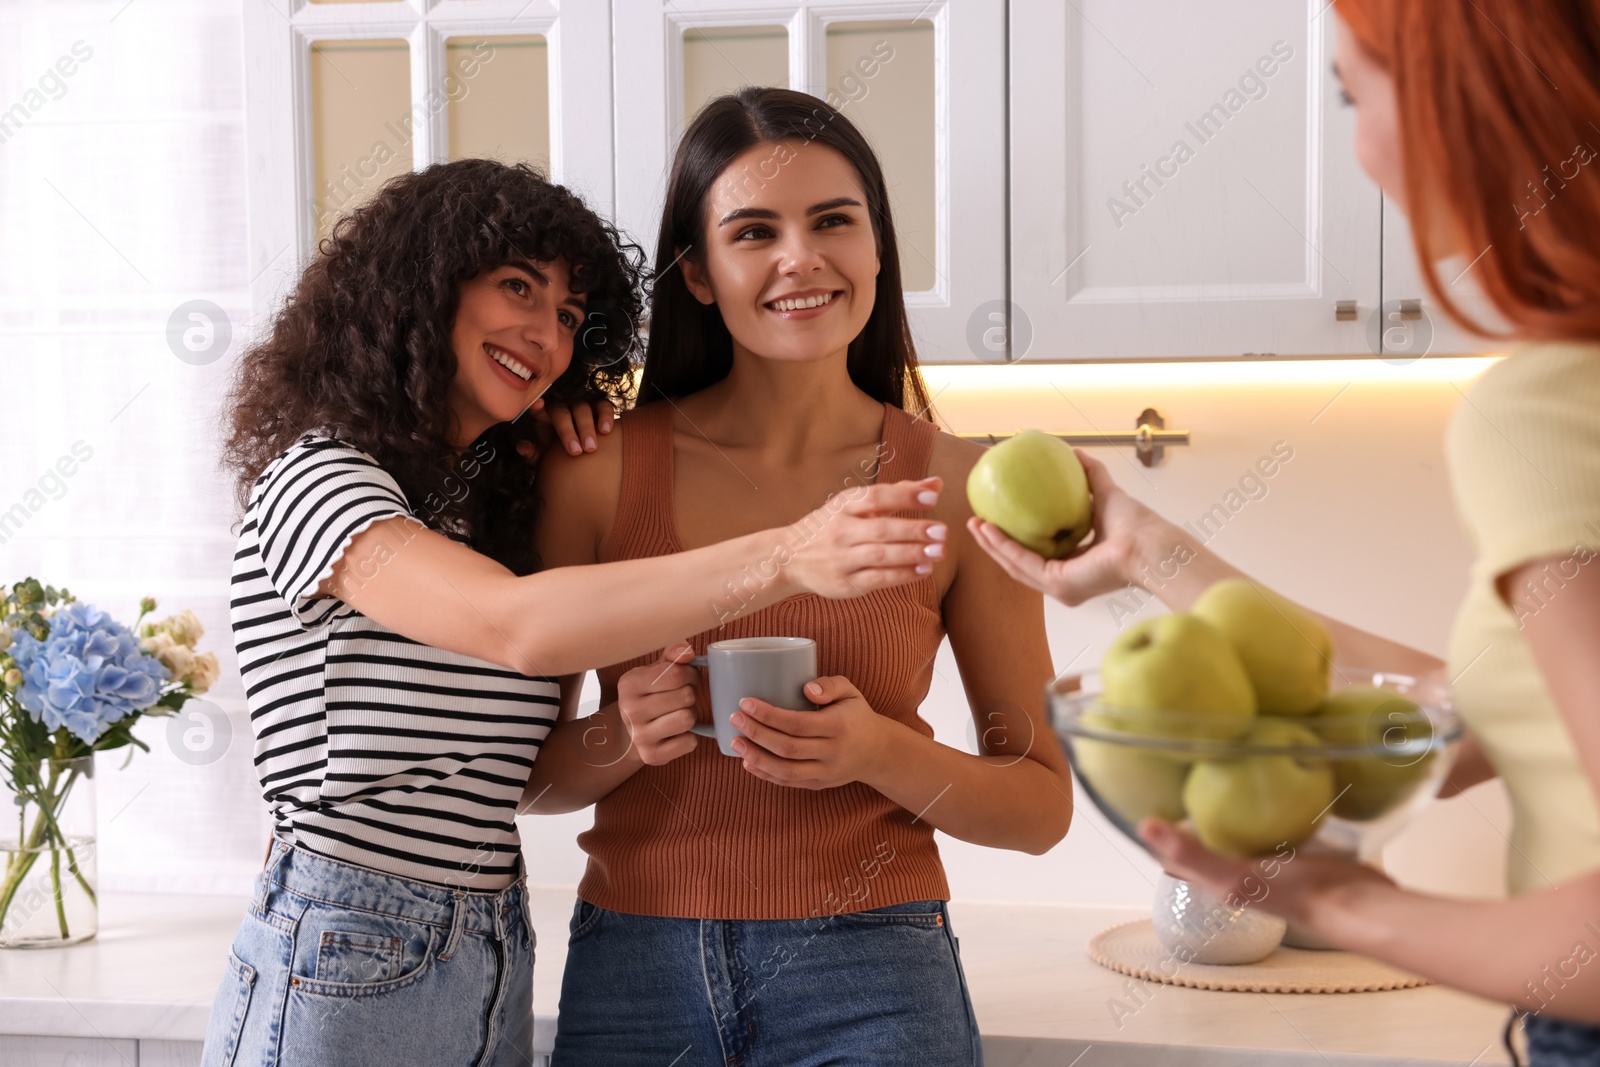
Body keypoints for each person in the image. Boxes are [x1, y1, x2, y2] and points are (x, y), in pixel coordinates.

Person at [202, 158, 945, 1067]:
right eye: (516, 286)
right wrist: (790, 553)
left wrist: (625, 734)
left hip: (488, 943)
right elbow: (518, 625)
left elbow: (518, 780)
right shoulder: (317, 481)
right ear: (419, 285)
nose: (545, 335)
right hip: (346, 933)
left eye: (567, 315)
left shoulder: (481, 513)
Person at [969, 1, 1600, 1061]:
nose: (1360, 152)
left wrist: (1349, 905)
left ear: (1466, 108)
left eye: (1356, 93)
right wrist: (1146, 553)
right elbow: (1451, 726)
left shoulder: (1545, 411)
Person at [524, 88, 1073, 1066]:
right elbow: (522, 774)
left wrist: (873, 750)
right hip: (636, 970)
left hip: (873, 968)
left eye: (833, 221)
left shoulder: (957, 482)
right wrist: (622, 735)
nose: (799, 258)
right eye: (752, 231)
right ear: (698, 275)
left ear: (874, 248)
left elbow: (1038, 805)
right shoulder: (596, 469)